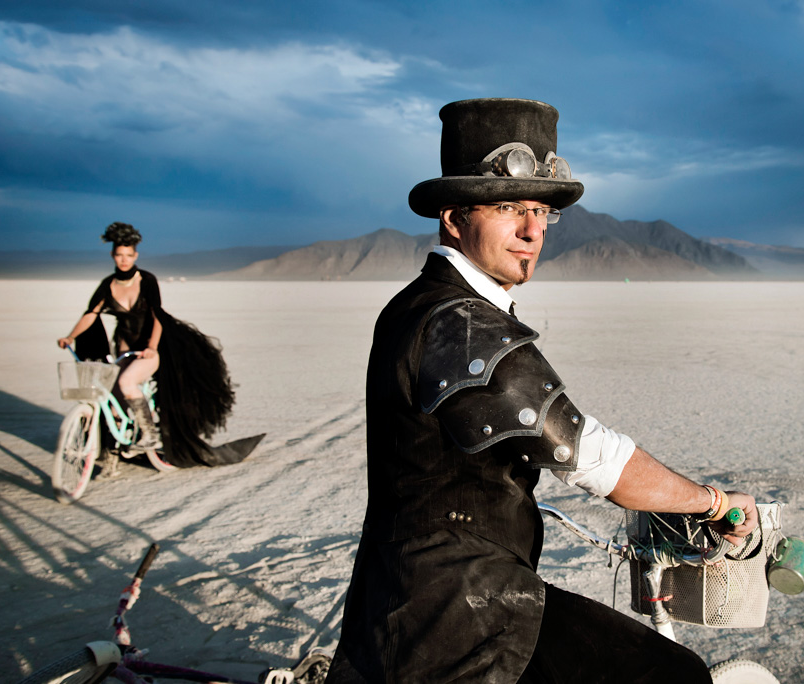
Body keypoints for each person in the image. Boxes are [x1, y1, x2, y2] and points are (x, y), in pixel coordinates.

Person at [325, 98, 759, 683]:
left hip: (412, 596)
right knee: (673, 676)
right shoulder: (462, 323)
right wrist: (712, 502)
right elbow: (590, 456)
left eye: (540, 211)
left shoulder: (417, 303)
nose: (532, 230)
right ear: (454, 217)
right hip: (459, 611)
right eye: (508, 207)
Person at [57, 222, 262, 467]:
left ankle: (150, 433)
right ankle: (113, 449)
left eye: (128, 255)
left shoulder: (147, 280)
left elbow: (157, 316)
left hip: (152, 347)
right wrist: (70, 336)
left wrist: (152, 347)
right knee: (113, 396)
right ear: (112, 255)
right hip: (124, 348)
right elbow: (91, 314)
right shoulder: (108, 285)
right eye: (119, 255)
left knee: (127, 382)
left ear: (136, 256)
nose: (124, 260)